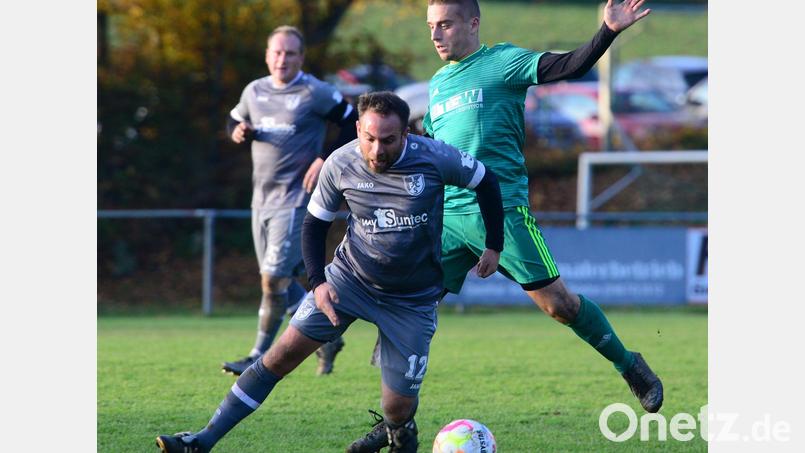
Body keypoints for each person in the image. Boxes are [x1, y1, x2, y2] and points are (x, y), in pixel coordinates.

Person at [354, 1, 663, 449]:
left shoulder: (503, 62)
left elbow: (568, 66)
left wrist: (607, 32)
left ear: (473, 23)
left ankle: (628, 364)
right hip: (447, 218)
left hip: (502, 210)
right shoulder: (438, 85)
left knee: (559, 305)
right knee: (407, 310)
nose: (436, 35)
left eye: (445, 24)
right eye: (430, 27)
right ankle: (396, 422)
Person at [155, 91, 505, 453]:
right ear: (357, 129)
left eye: (388, 140)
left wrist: (494, 244)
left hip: (411, 299)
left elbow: (486, 181)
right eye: (369, 138)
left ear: (407, 134)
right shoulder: (340, 163)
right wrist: (318, 283)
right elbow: (314, 225)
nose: (376, 150)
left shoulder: (434, 158)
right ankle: (201, 441)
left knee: (396, 406)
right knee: (278, 357)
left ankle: (398, 430)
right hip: (349, 281)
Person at [222, 25, 358, 376]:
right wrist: (236, 131)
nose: (283, 59)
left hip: (296, 199)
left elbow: (350, 121)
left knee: (272, 280)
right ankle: (328, 337)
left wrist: (324, 157)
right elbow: (234, 119)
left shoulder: (314, 91)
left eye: (290, 53)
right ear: (268, 56)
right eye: (277, 52)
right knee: (286, 278)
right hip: (261, 200)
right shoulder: (255, 91)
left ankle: (257, 355)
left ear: (301, 57)